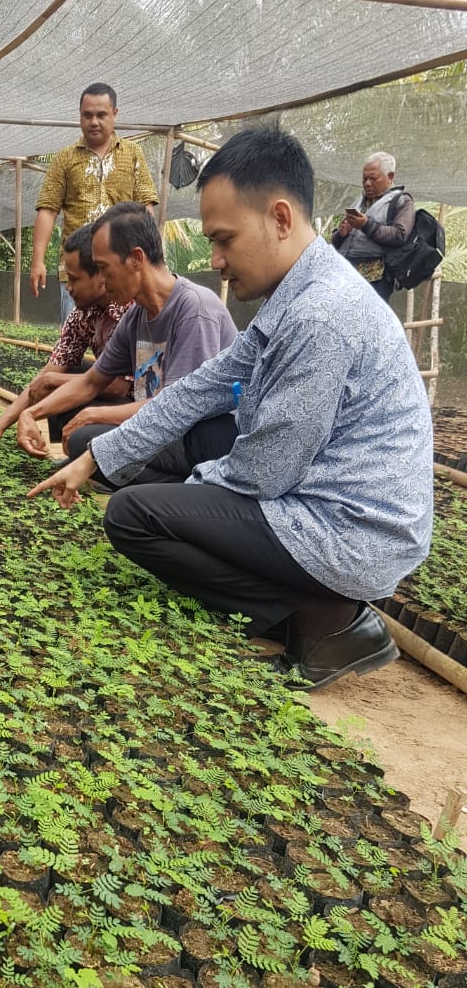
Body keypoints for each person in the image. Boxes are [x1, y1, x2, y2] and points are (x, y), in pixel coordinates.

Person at [28, 127, 433, 692]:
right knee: (160, 477)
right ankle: (321, 615)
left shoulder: (322, 316)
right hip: (323, 496)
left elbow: (262, 474)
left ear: (281, 218)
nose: (214, 260)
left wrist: (194, 481)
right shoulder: (295, 297)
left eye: (224, 239)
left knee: (133, 515)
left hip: (351, 529)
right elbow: (199, 389)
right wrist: (98, 458)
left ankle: (324, 620)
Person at [17, 202, 236, 466]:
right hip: (158, 429)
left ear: (136, 259)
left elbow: (175, 410)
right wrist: (31, 413)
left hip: (202, 438)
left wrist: (95, 416)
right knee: (85, 441)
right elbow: (90, 382)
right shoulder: (136, 316)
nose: (102, 280)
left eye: (104, 267)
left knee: (86, 440)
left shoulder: (193, 309)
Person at [0, 225, 130, 453]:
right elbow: (46, 375)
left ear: (101, 276)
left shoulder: (129, 311)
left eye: (74, 279)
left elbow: (119, 387)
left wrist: (53, 384)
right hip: (106, 388)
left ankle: (90, 458)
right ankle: (71, 450)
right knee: (60, 375)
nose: (69, 288)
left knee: (59, 385)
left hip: (138, 404)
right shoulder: (81, 315)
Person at [30, 84, 158, 322]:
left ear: (115, 114)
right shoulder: (65, 159)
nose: (94, 122)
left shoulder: (133, 154)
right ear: (80, 116)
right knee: (74, 335)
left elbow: (146, 208)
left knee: (125, 335)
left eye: (101, 115)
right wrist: (37, 261)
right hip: (77, 271)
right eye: (87, 115)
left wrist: (148, 258)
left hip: (122, 267)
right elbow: (47, 210)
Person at [331, 151, 414, 300]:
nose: (367, 183)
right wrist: (341, 233)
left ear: (390, 177)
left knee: (367, 320)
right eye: (364, 178)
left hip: (376, 279)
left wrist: (366, 224)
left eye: (373, 178)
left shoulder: (401, 201)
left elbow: (400, 234)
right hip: (346, 274)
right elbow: (337, 241)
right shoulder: (358, 201)